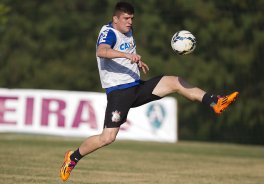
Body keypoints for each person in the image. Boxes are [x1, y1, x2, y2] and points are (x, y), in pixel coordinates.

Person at [60, 2, 239, 182]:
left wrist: (136, 62)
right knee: (107, 138)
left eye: (132, 18)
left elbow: (125, 50)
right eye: (126, 18)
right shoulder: (109, 32)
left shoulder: (127, 30)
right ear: (115, 19)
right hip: (119, 93)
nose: (130, 22)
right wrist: (128, 56)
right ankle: (72, 157)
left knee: (174, 81)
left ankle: (215, 102)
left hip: (136, 87)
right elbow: (102, 51)